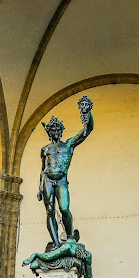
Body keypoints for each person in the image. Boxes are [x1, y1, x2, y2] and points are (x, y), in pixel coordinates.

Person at [37, 97, 93, 249]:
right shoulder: (45, 149)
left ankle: (69, 238)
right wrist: (39, 188)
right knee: (49, 211)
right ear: (49, 131)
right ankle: (56, 242)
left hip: (61, 180)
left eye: (58, 129)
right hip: (48, 180)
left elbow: (86, 131)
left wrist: (87, 113)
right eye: (53, 129)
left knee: (64, 209)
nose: (55, 132)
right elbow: (43, 170)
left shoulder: (68, 145)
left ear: (61, 131)